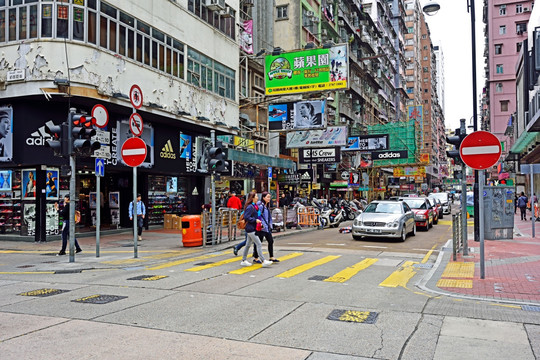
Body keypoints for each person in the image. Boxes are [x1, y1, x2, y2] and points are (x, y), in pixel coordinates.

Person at [239, 191, 272, 267]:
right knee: (259, 244)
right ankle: (263, 260)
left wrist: (259, 222)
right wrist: (255, 220)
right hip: (250, 228)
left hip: (252, 228)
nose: (257, 197)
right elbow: (247, 217)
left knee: (248, 245)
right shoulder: (250, 207)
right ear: (252, 198)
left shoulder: (255, 206)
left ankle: (244, 260)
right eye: (256, 196)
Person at [252, 192, 279, 263]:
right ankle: (256, 257)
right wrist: (261, 224)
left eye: (269, 197)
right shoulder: (261, 206)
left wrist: (270, 225)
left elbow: (268, 217)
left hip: (267, 227)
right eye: (267, 197)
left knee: (270, 241)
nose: (269, 198)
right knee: (258, 242)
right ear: (263, 198)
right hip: (261, 227)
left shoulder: (266, 206)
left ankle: (271, 257)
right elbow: (258, 216)